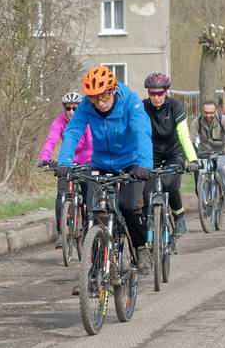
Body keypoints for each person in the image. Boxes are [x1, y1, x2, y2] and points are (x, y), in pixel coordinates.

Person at [57, 65, 153, 276]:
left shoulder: (131, 102)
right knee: (94, 209)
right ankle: (93, 268)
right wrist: (64, 161)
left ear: (111, 90)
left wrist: (145, 164)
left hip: (131, 162)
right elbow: (73, 131)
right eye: (93, 99)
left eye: (102, 97)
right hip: (101, 162)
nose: (99, 104)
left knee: (128, 206)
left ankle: (141, 247)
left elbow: (141, 132)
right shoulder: (87, 105)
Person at [142, 73, 199, 237]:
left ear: (166, 91)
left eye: (159, 93)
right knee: (146, 191)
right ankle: (149, 225)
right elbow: (135, 132)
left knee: (168, 184)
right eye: (152, 93)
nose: (156, 97)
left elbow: (183, 135)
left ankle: (179, 216)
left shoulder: (175, 106)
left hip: (174, 152)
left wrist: (192, 158)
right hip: (151, 154)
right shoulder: (143, 107)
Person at [38, 92, 92, 249]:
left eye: (75, 108)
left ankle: (89, 230)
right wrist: (45, 157)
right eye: (68, 108)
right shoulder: (59, 121)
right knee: (62, 195)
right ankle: (61, 232)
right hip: (66, 162)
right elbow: (51, 139)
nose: (71, 112)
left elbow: (92, 142)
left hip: (87, 161)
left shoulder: (86, 121)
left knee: (90, 197)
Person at [190, 100, 225, 209]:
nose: (208, 115)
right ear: (202, 111)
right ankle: (204, 203)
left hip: (222, 151)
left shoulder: (223, 120)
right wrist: (191, 154)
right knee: (201, 175)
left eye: (211, 112)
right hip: (204, 152)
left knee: (222, 168)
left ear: (215, 111)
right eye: (206, 112)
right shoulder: (197, 121)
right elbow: (190, 138)